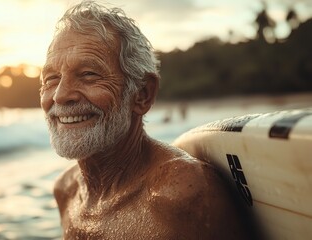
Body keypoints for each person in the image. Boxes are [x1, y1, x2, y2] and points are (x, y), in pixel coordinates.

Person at [40, 1, 257, 239]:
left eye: (89, 74)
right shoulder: (66, 191)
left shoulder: (180, 194)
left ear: (142, 94)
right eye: (51, 79)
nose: (60, 95)